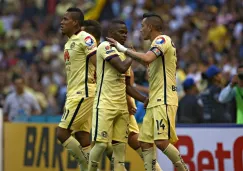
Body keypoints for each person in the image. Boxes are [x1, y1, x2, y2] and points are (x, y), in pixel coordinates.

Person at [107, 13, 188, 171]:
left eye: (143, 26)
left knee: (161, 142)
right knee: (144, 142)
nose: (140, 30)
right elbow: (149, 62)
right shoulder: (156, 46)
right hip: (154, 100)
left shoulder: (162, 40)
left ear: (150, 27)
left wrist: (122, 49)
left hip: (164, 99)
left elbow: (147, 59)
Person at [89, 20, 150, 171]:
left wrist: (143, 99)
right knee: (101, 144)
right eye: (120, 32)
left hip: (122, 107)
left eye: (125, 33)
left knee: (119, 151)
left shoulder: (123, 53)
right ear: (111, 34)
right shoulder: (105, 47)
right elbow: (122, 67)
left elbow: (127, 86)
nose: (124, 35)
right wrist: (130, 53)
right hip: (104, 104)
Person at [56, 8, 97, 171]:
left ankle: (88, 167)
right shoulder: (70, 42)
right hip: (74, 93)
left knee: (62, 133)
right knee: (82, 138)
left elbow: (98, 64)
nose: (61, 22)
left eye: (65, 19)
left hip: (83, 93)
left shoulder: (85, 38)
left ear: (75, 23)